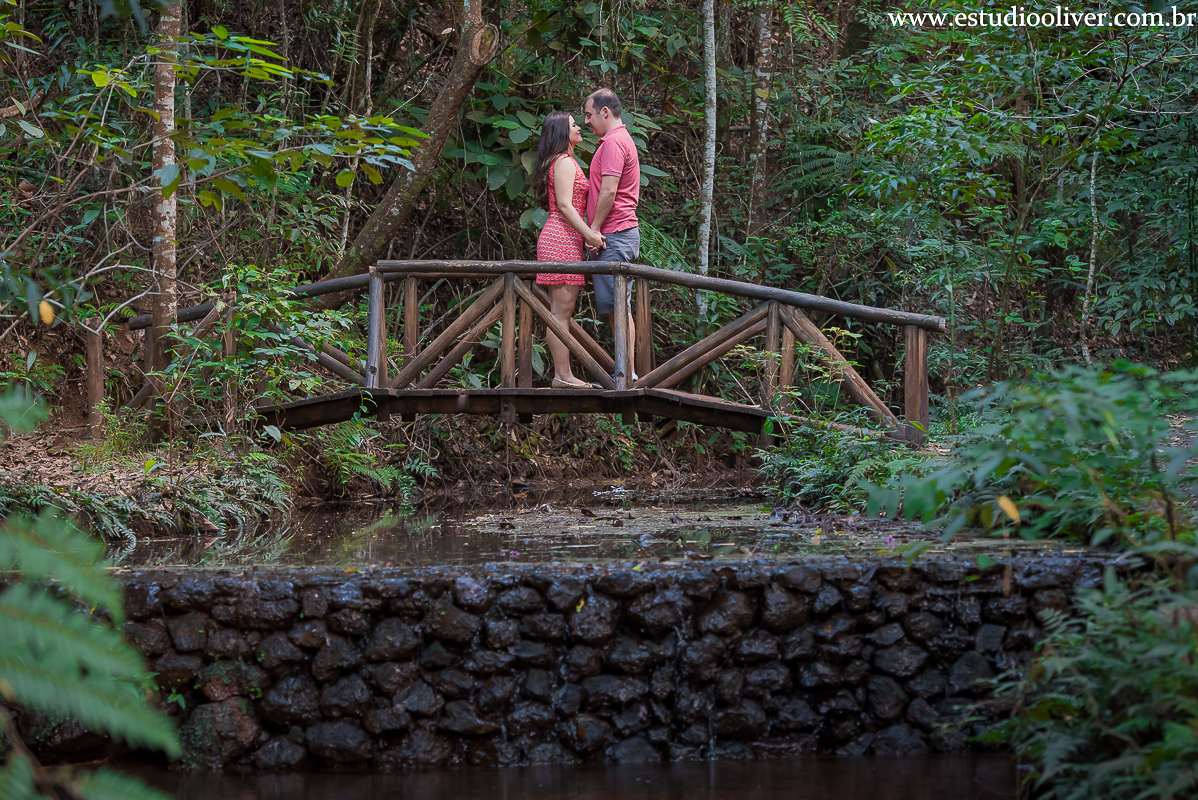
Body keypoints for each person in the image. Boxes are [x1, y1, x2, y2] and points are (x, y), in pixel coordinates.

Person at [532, 110, 606, 388]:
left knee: (562, 312)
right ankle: (563, 376)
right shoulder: (563, 162)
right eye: (574, 124)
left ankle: (563, 375)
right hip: (560, 238)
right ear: (563, 133)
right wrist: (590, 234)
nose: (580, 128)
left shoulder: (567, 161)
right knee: (560, 314)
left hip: (566, 239)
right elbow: (564, 205)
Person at [582, 87, 640, 379]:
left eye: (590, 115)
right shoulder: (613, 141)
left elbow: (609, 190)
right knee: (613, 307)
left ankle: (626, 373)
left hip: (615, 233)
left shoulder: (615, 143)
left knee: (619, 306)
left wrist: (593, 229)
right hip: (614, 234)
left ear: (606, 111)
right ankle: (624, 370)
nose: (586, 122)